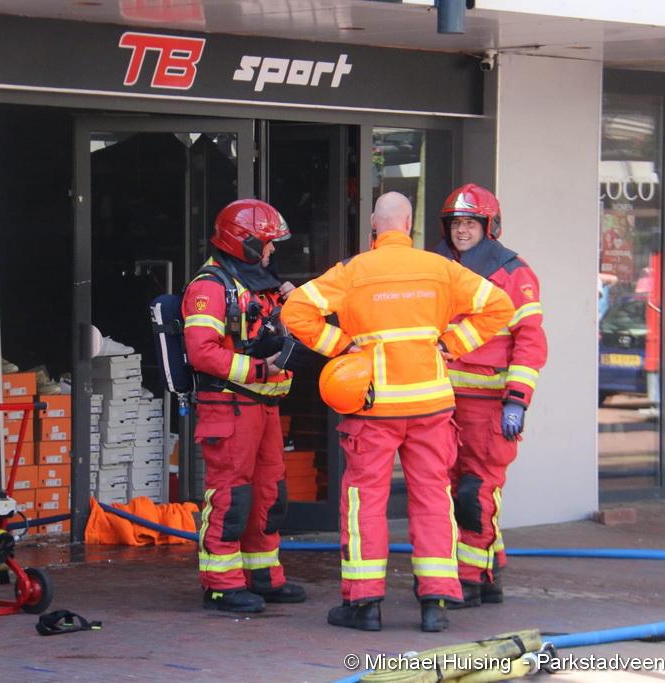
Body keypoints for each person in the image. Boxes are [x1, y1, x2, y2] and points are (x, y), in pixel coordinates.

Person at [282, 192, 513, 632]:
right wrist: (452, 344)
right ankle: (436, 602)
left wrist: (342, 347)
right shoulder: (441, 269)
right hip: (430, 407)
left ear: (374, 225)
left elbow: (296, 309)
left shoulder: (353, 271)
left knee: (365, 502)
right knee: (433, 498)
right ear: (409, 225)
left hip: (373, 406)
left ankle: (364, 604)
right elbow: (500, 306)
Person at [182, 198, 306, 613]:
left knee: (269, 494)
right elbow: (202, 352)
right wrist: (257, 368)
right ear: (246, 243)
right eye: (267, 243)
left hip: (264, 406)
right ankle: (222, 584)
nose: (272, 251)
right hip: (230, 405)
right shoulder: (210, 287)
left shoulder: (260, 283)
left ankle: (263, 576)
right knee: (231, 496)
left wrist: (295, 303)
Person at [434, 183, 548, 609]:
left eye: (470, 223)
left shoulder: (514, 273)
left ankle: (469, 580)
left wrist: (516, 400)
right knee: (449, 490)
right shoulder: (436, 266)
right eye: (456, 223)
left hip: (488, 407)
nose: (462, 231)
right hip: (441, 402)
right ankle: (489, 571)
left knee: (474, 492)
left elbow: (530, 342)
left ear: (489, 226)